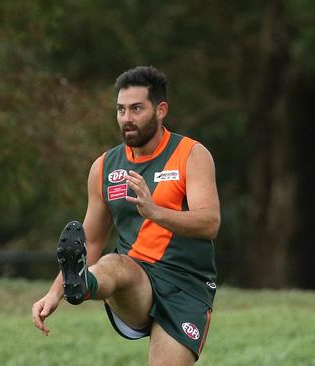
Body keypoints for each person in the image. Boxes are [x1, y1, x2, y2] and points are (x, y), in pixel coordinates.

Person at [31, 66, 220, 365]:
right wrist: (55, 293)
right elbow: (90, 239)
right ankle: (81, 286)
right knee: (115, 264)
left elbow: (210, 223)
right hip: (136, 278)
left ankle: (86, 284)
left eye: (136, 109)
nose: (126, 118)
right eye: (120, 109)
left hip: (187, 286)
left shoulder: (191, 155)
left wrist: (156, 212)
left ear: (161, 110)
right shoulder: (105, 167)